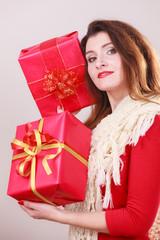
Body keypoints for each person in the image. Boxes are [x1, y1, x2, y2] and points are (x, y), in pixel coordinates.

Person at [18, 20, 160, 240]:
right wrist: (61, 123)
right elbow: (53, 188)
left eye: (111, 51)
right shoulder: (95, 132)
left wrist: (57, 216)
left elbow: (136, 222)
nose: (99, 63)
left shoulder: (149, 120)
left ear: (134, 55)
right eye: (91, 58)